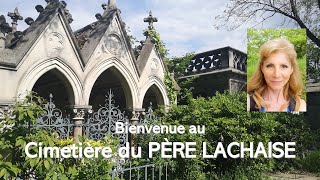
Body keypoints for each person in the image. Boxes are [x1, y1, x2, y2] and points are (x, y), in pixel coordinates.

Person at [247, 38, 306, 112]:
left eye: (283, 66)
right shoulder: (248, 102)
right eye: (270, 66)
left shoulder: (300, 106)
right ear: (262, 68)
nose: (276, 74)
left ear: (291, 69)